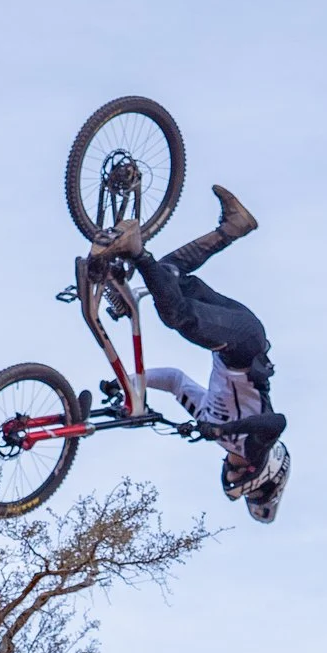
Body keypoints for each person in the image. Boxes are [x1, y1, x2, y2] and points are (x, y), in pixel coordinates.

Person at [93, 187, 291, 522]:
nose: (230, 475)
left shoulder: (210, 422)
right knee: (177, 316)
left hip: (231, 339)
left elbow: (173, 381)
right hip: (244, 345)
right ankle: (136, 250)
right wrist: (222, 432)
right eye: (241, 481)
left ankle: (233, 227)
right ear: (261, 473)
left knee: (168, 275)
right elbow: (277, 421)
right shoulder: (255, 444)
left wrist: (126, 383)